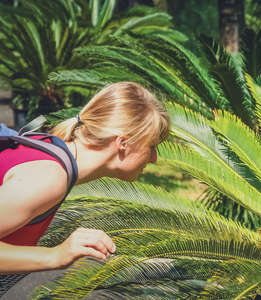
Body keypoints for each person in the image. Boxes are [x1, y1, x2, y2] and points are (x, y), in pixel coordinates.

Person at [0, 82, 170, 278]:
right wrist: (56, 256)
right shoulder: (50, 178)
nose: (154, 158)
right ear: (123, 143)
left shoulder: (52, 150)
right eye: (152, 146)